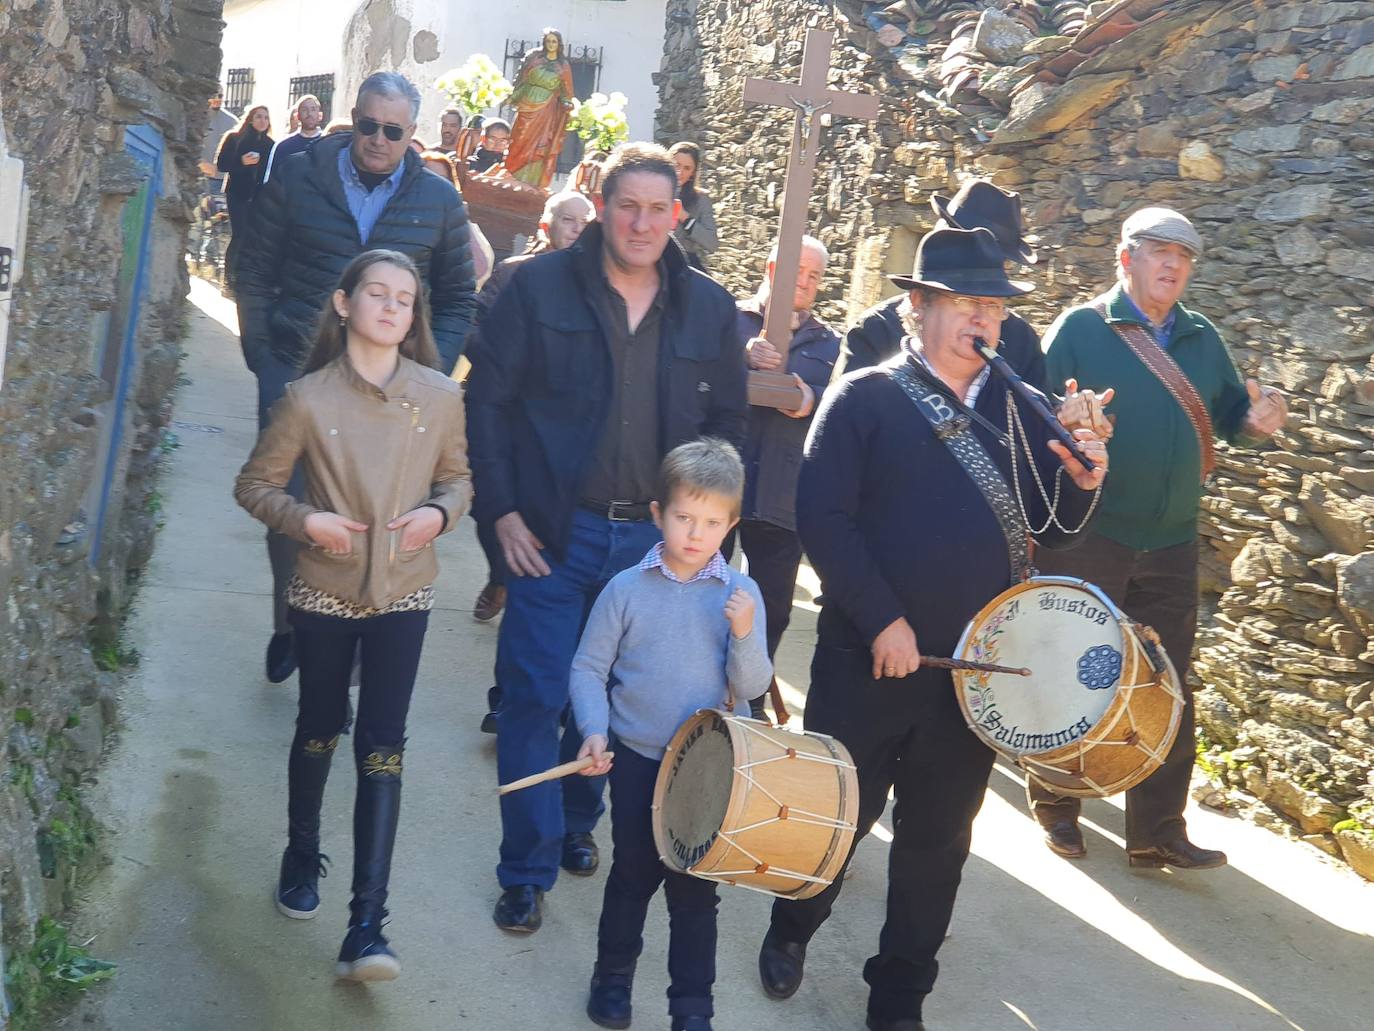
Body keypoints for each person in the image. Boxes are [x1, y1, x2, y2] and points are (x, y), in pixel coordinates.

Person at [755, 226, 1109, 1031]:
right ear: (918, 308)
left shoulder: (1023, 411)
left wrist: (1090, 469)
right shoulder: (866, 397)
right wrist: (883, 619)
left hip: (971, 676)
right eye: (964, 302)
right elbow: (824, 515)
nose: (983, 319)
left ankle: (899, 995)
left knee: (938, 843)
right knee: (836, 816)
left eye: (992, 304)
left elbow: (1058, 526)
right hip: (868, 660)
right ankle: (791, 927)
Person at [465, 141, 748, 934]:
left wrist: (709, 532)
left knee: (623, 701)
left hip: (655, 551)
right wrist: (502, 514)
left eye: (660, 208)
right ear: (600, 201)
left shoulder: (709, 308)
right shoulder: (537, 287)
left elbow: (728, 429)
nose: (643, 222)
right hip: (552, 535)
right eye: (630, 204)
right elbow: (486, 403)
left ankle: (580, 816)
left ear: (678, 214)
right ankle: (524, 864)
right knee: (533, 695)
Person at [234, 249, 472, 982]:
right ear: (344, 303)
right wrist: (309, 522)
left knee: (383, 745)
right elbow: (255, 484)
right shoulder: (305, 398)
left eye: (406, 298)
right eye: (377, 292)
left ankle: (368, 925)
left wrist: (439, 512)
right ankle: (302, 852)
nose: (392, 306)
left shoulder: (439, 396)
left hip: (405, 588)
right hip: (324, 588)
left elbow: (460, 478)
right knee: (319, 726)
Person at [1026, 207, 1288, 869]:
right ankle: (1057, 803)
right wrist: (1067, 419)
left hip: (1171, 539)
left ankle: (1157, 829)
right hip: (1092, 532)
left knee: (1165, 685)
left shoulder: (1202, 338)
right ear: (1127, 258)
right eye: (1159, 251)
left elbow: (1228, 415)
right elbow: (1032, 421)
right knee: (1071, 673)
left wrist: (1256, 420)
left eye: (1184, 255)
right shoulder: (1081, 330)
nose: (1173, 264)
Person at [237, 71, 477, 687]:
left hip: (391, 388)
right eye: (368, 125)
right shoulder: (297, 177)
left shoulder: (438, 202)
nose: (377, 139)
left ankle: (343, 665)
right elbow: (255, 267)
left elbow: (456, 297)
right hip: (296, 367)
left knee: (377, 517)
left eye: (392, 131)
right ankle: (291, 622)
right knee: (290, 508)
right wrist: (262, 350)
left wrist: (429, 370)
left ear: (411, 135)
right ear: (355, 117)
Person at [571, 439, 771, 1031]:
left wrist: (744, 631)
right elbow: (588, 667)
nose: (695, 533)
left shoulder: (741, 595)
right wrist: (593, 731)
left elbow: (753, 684)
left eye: (712, 522)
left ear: (730, 525)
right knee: (632, 874)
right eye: (684, 516)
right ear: (658, 512)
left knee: (695, 893)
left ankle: (691, 1009)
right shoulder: (626, 589)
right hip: (635, 758)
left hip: (708, 769)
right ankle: (612, 979)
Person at [469, 189, 597, 657]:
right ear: (547, 227)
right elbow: (473, 325)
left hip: (558, 431)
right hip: (505, 418)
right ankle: (500, 573)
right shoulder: (512, 274)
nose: (580, 229)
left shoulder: (600, 285)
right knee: (488, 510)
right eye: (570, 221)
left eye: (587, 222)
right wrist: (505, 361)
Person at [735, 234, 840, 721]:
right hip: (717, 486)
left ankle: (750, 697)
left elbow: (838, 405)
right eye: (797, 270)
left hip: (782, 493)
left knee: (773, 606)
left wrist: (809, 401)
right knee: (695, 589)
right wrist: (741, 359)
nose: (805, 282)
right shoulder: (729, 322)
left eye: (814, 276)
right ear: (771, 266)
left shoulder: (830, 345)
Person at [841, 180, 1045, 390]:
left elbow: (1036, 413)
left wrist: (1063, 416)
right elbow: (845, 412)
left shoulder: (1021, 338)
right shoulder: (876, 329)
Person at [503, 28, 575, 189]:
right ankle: (511, 174)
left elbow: (566, 91)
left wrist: (566, 103)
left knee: (539, 145)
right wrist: (512, 97)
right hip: (527, 105)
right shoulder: (534, 58)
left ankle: (532, 181)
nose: (551, 44)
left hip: (547, 109)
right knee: (519, 139)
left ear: (559, 44)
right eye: (548, 41)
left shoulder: (563, 65)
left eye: (554, 41)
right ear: (544, 42)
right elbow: (522, 82)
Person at [215, 104, 273, 289]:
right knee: (239, 234)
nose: (262, 120)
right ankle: (229, 278)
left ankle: (244, 276)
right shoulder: (234, 139)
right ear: (250, 119)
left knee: (252, 236)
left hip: (258, 196)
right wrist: (242, 161)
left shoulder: (270, 145)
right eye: (258, 116)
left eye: (265, 117)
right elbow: (222, 165)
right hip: (237, 193)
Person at [419, 150, 495, 288]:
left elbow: (479, 269)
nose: (435, 185)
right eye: (429, 177)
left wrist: (460, 218)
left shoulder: (456, 218)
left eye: (442, 179)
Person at [668, 142, 718, 272]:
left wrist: (685, 218)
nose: (680, 172)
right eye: (676, 165)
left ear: (693, 173)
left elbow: (711, 243)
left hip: (684, 265)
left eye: (687, 168)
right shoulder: (651, 192)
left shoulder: (701, 199)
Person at [263, 95, 325, 183]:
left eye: (313, 109)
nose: (309, 114)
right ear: (297, 116)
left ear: (320, 115)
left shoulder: (329, 145)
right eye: (304, 110)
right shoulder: (283, 146)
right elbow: (272, 182)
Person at [198, 89, 237, 191]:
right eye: (213, 95)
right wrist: (200, 163)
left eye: (220, 96)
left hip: (222, 180)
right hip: (199, 177)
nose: (217, 99)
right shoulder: (196, 117)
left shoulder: (233, 121)